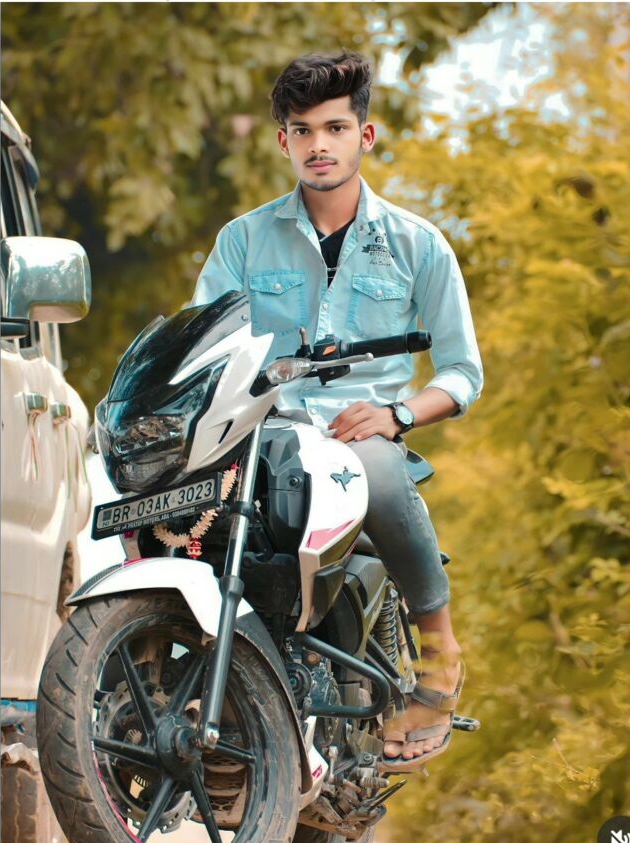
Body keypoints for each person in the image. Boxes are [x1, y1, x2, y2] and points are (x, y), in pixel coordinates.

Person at [192, 51, 483, 771]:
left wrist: (398, 415)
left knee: (376, 467)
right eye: (302, 130)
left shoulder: (419, 244)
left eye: (334, 128)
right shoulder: (242, 240)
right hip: (265, 433)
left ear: (365, 135)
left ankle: (440, 651)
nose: (318, 144)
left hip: (361, 437)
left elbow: (462, 373)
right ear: (283, 141)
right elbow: (203, 344)